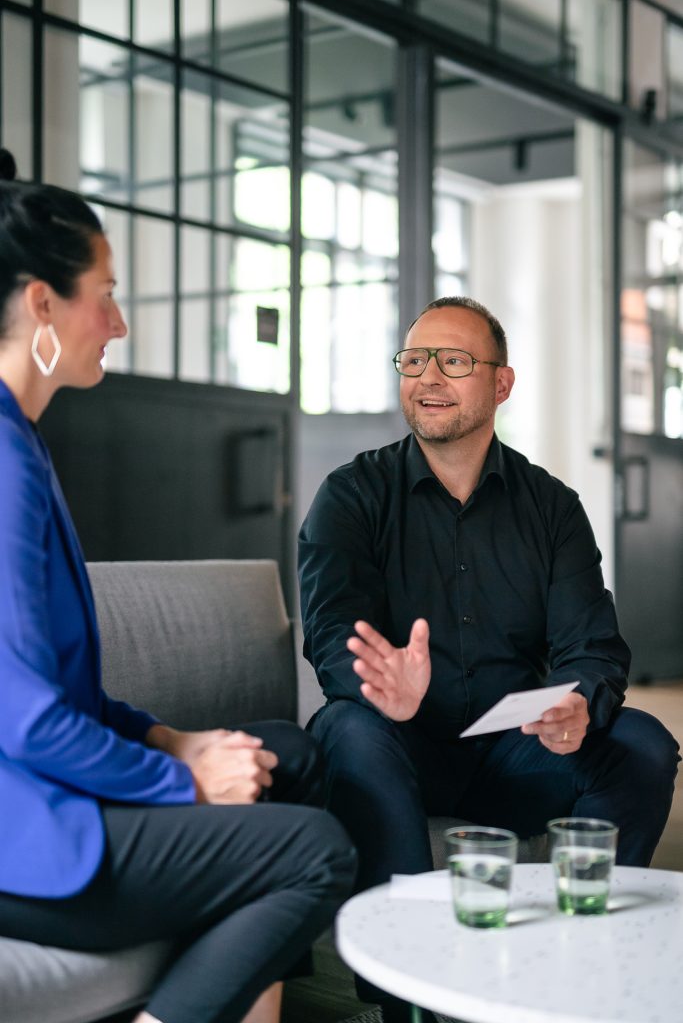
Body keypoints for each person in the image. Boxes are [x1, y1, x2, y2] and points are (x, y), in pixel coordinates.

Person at [0, 147, 356, 1023]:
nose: (116, 323)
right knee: (316, 850)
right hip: (23, 841)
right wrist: (184, 782)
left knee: (290, 752)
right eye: (106, 292)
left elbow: (62, 693)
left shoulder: (25, 446)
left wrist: (174, 739)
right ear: (43, 302)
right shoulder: (3, 459)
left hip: (41, 790)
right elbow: (23, 715)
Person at [298, 295, 680, 1023]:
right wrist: (382, 690)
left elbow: (590, 646)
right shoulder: (351, 495)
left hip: (518, 752)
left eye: (454, 361)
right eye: (413, 360)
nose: (427, 377)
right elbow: (329, 636)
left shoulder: (551, 507)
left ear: (500, 384)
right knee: (348, 728)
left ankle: (578, 961)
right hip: (397, 745)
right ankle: (404, 999)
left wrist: (577, 703)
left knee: (640, 744)